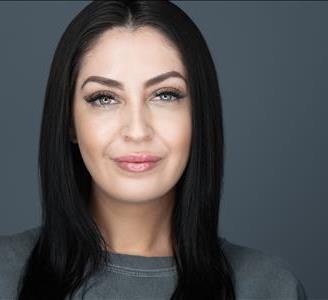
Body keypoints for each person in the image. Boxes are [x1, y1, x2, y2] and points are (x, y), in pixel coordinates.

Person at [0, 1, 308, 299]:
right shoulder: (6, 273)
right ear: (69, 123)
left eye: (165, 95)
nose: (137, 131)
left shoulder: (267, 287)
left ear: (199, 115)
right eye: (104, 98)